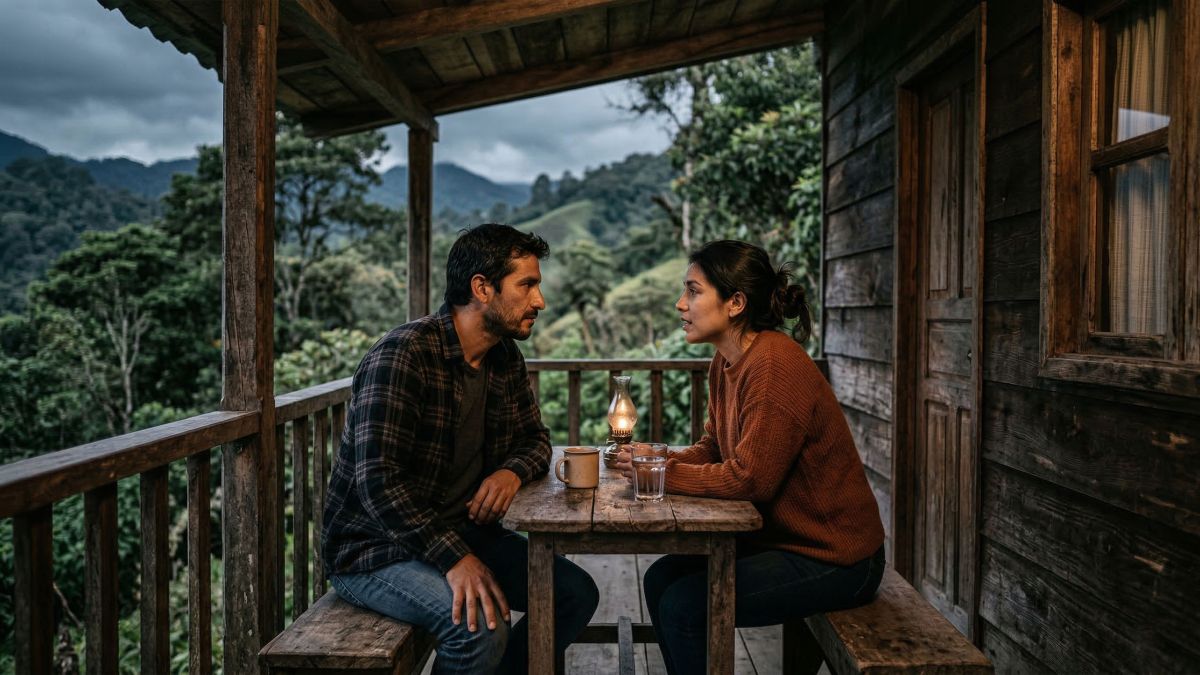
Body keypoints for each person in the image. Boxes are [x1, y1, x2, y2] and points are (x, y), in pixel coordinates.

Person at [322, 223, 599, 675]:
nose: (539, 302)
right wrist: (453, 558)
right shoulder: (403, 354)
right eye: (527, 285)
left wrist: (509, 472)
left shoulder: (503, 356)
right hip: (376, 550)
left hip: (463, 532)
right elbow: (377, 483)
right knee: (478, 628)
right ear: (482, 288)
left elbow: (536, 440)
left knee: (573, 593)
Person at [616, 240, 885, 675]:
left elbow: (750, 480)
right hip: (779, 541)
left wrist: (662, 474)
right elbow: (714, 448)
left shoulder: (775, 364)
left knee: (686, 607)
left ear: (735, 303)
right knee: (660, 579)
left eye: (693, 291)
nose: (681, 304)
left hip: (836, 557)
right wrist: (655, 457)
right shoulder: (724, 363)